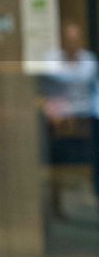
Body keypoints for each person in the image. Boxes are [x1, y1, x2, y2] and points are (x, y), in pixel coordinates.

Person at [41, 20, 99, 204]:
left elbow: (93, 90)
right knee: (57, 167)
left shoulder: (89, 62)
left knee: (85, 163)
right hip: (57, 120)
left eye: (75, 40)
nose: (72, 44)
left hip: (84, 119)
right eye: (68, 40)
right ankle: (56, 202)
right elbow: (46, 89)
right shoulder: (51, 61)